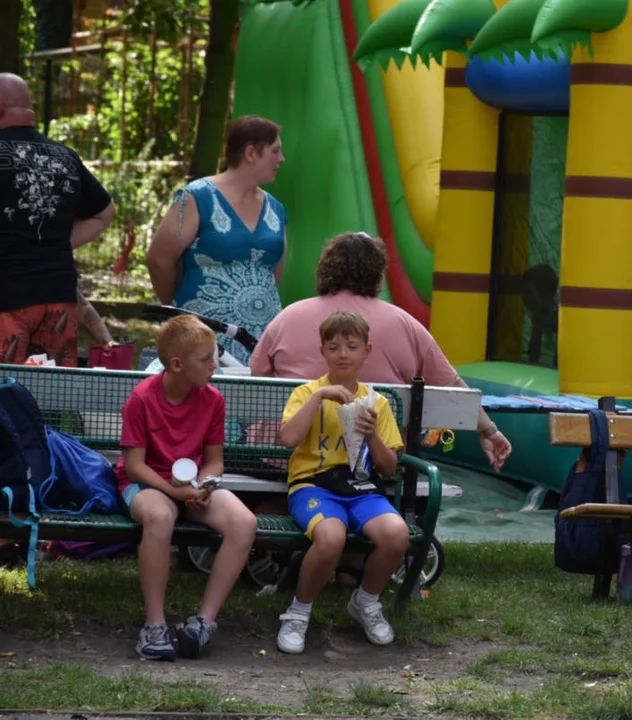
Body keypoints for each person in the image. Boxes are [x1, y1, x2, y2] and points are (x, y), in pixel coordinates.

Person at [251, 232, 512, 472]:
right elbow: (452, 386)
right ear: (378, 275)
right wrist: (488, 431)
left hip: (286, 458)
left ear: (325, 271)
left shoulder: (287, 318)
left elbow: (257, 377)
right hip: (372, 463)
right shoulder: (406, 324)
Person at [115, 315, 257, 660]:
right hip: (145, 483)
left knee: (244, 523)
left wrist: (205, 486)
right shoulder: (142, 398)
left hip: (189, 485)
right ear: (177, 364)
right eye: (206, 358)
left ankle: (203, 623)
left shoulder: (212, 399)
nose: (214, 364)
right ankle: (154, 626)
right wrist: (174, 491)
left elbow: (214, 461)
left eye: (214, 356)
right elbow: (134, 466)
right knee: (161, 518)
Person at [275, 311, 408, 654]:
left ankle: (365, 602)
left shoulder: (376, 402)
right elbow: (288, 439)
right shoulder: (308, 393)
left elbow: (390, 467)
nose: (344, 354)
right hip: (313, 486)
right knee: (331, 537)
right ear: (322, 352)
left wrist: (372, 434)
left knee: (396, 534)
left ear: (367, 350)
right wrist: (321, 398)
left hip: (359, 489)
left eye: (352, 346)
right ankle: (298, 612)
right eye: (334, 347)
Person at [147, 116, 287, 364]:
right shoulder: (196, 197)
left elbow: (274, 275)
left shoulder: (276, 209)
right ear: (251, 153)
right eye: (275, 151)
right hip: (201, 337)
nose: (281, 159)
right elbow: (159, 260)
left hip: (262, 339)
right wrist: (180, 308)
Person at [0, 73, 116, 366]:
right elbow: (105, 211)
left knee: (4, 393)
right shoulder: (65, 157)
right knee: (51, 395)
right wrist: (57, 243)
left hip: (7, 299)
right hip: (59, 298)